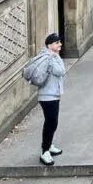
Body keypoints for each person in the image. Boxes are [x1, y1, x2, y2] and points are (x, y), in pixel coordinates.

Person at [31, 33, 66, 166]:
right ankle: (44, 151)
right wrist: (56, 57)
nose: (60, 44)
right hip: (47, 96)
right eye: (57, 43)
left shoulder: (51, 56)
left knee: (53, 122)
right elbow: (61, 71)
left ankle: (49, 145)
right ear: (49, 45)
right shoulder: (49, 58)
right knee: (51, 122)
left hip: (52, 95)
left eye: (59, 42)